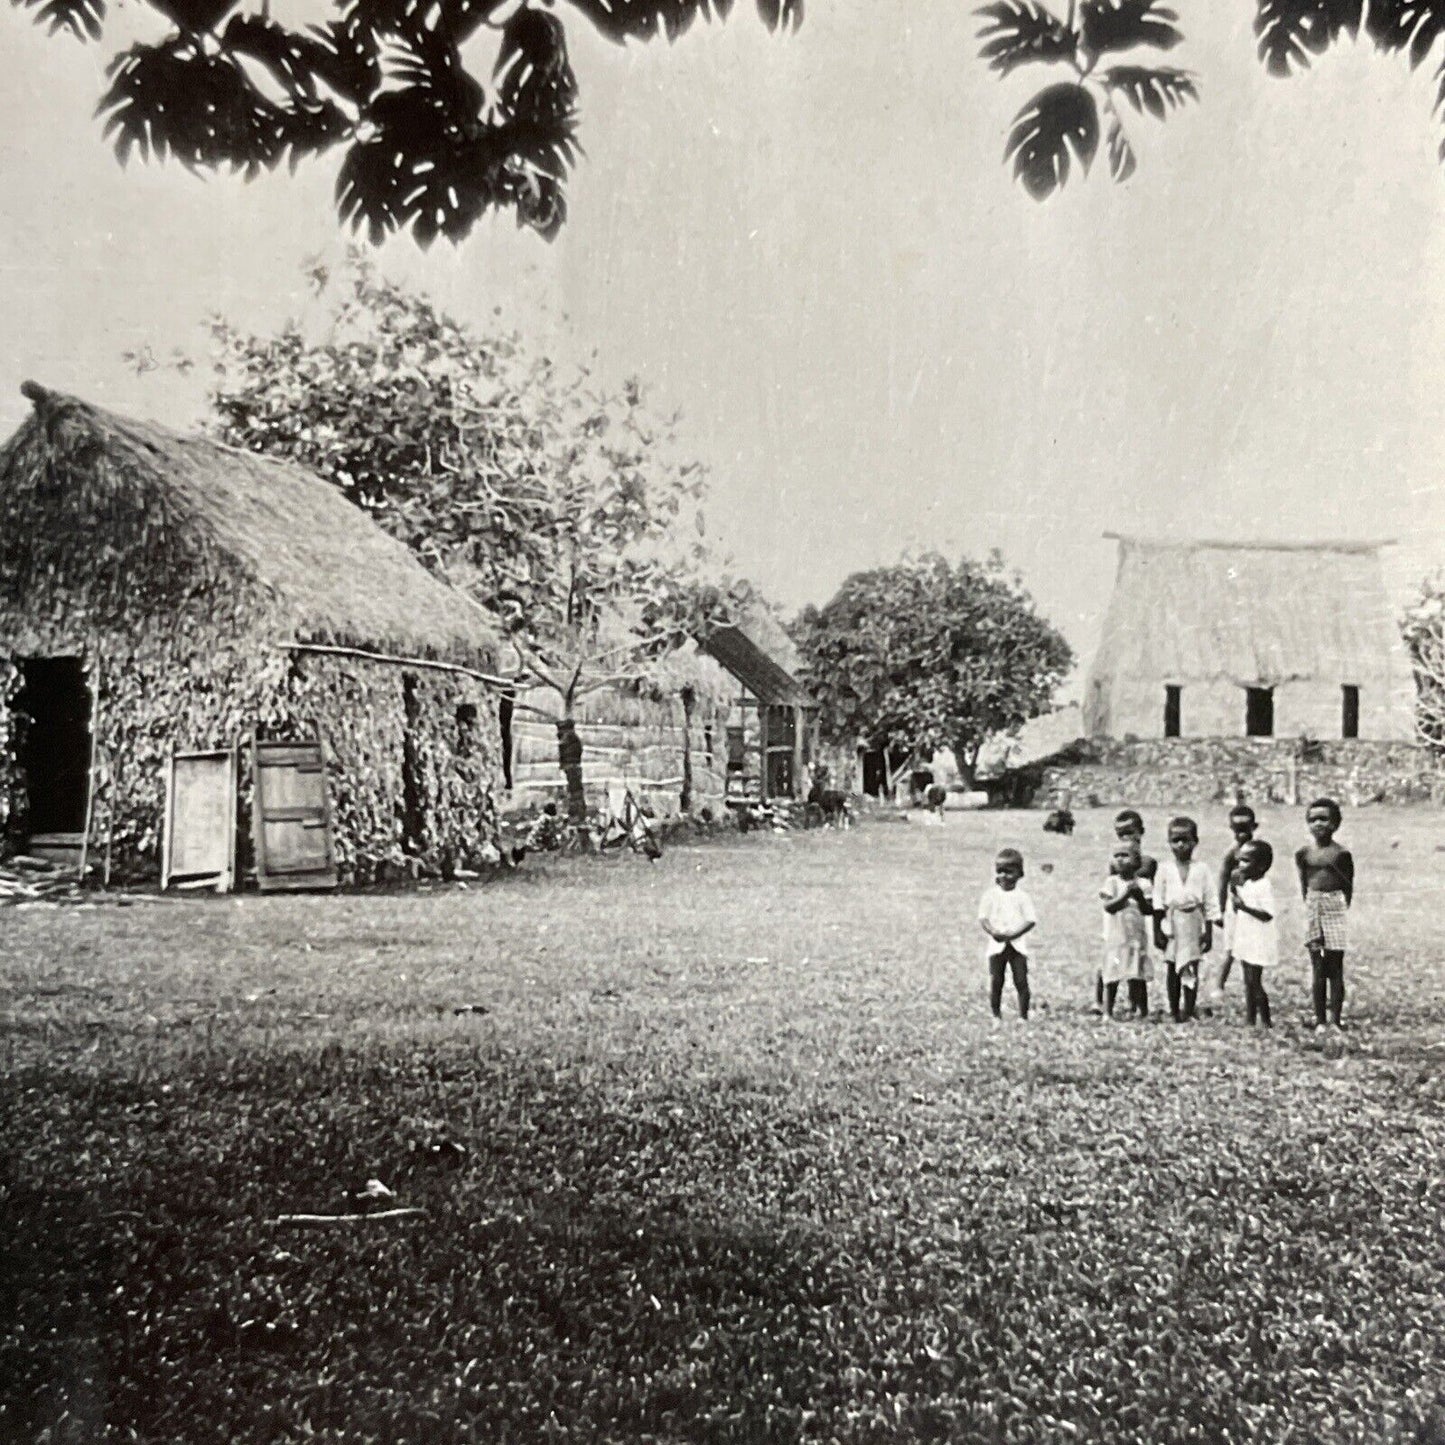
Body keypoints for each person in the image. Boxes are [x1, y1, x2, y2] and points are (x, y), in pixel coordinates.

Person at [1153, 816, 1220, 1023]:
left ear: (1195, 842)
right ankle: (1173, 1009)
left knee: (1191, 966)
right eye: (1175, 840)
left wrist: (1208, 932)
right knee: (1173, 967)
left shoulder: (1202, 869)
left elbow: (1210, 900)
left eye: (1185, 840)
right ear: (1169, 843)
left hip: (1194, 923)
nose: (1180, 845)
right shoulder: (1164, 869)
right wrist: (1157, 930)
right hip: (1172, 923)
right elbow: (1157, 901)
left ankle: (1189, 1009)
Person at [1295, 797, 1354, 1033]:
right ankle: (1320, 1019)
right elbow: (1303, 883)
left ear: (1335, 824)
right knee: (1317, 966)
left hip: (1334, 906)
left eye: (1324, 819)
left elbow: (1348, 885)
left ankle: (1336, 1020)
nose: (1318, 824)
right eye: (1313, 819)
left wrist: (1338, 907)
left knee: (1335, 966)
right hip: (1313, 905)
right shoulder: (1303, 853)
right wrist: (1311, 907)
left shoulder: (1341, 854)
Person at [1097, 809, 1157, 1017]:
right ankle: (1103, 1006)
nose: (1126, 838)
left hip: (1137, 928)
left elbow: (1151, 906)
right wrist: (1125, 895)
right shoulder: (1114, 872)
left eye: (1130, 833)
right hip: (1116, 927)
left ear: (1141, 832)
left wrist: (1139, 896)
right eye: (1121, 835)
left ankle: (1139, 1008)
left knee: (1136, 969)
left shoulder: (1148, 865)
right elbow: (1109, 901)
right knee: (1110, 966)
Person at [978, 847, 1036, 1023]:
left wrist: (1013, 935)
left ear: (1020, 874)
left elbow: (1031, 920)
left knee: (1021, 980)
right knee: (997, 981)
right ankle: (996, 1014)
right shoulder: (990, 895)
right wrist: (993, 932)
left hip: (1016, 945)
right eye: (1000, 871)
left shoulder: (1022, 897)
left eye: (1009, 872)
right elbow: (983, 918)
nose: (1004, 876)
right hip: (996, 946)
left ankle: (1023, 1016)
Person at [1227, 838, 1277, 1029]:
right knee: (1247, 981)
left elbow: (1267, 915)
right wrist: (1233, 888)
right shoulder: (1247, 884)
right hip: (1246, 937)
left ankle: (1265, 1019)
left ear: (1262, 865)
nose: (1241, 865)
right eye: (1240, 860)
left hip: (1258, 940)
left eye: (1246, 861)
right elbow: (1237, 904)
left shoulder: (1264, 885)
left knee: (1254, 982)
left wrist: (1244, 908)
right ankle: (1250, 1018)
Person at [1216, 803, 1263, 996]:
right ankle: (1219, 984)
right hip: (1234, 905)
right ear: (1231, 829)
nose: (1242, 834)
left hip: (1251, 904)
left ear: (1255, 827)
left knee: (1250, 947)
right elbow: (1223, 879)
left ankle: (1250, 985)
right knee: (1230, 948)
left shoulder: (1257, 851)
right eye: (1238, 830)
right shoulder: (1231, 853)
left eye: (1246, 829)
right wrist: (1219, 909)